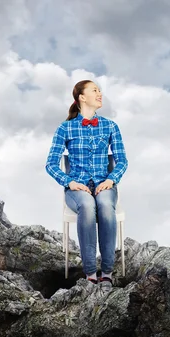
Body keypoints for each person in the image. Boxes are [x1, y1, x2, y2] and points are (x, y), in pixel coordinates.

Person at [45, 79, 128, 293]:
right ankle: (91, 273)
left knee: (105, 207)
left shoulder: (110, 126)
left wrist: (111, 180)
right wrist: (69, 182)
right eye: (95, 90)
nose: (100, 94)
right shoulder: (65, 128)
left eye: (100, 90)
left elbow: (122, 161)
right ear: (81, 97)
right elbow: (51, 164)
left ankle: (107, 273)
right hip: (76, 188)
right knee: (88, 206)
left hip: (105, 184)